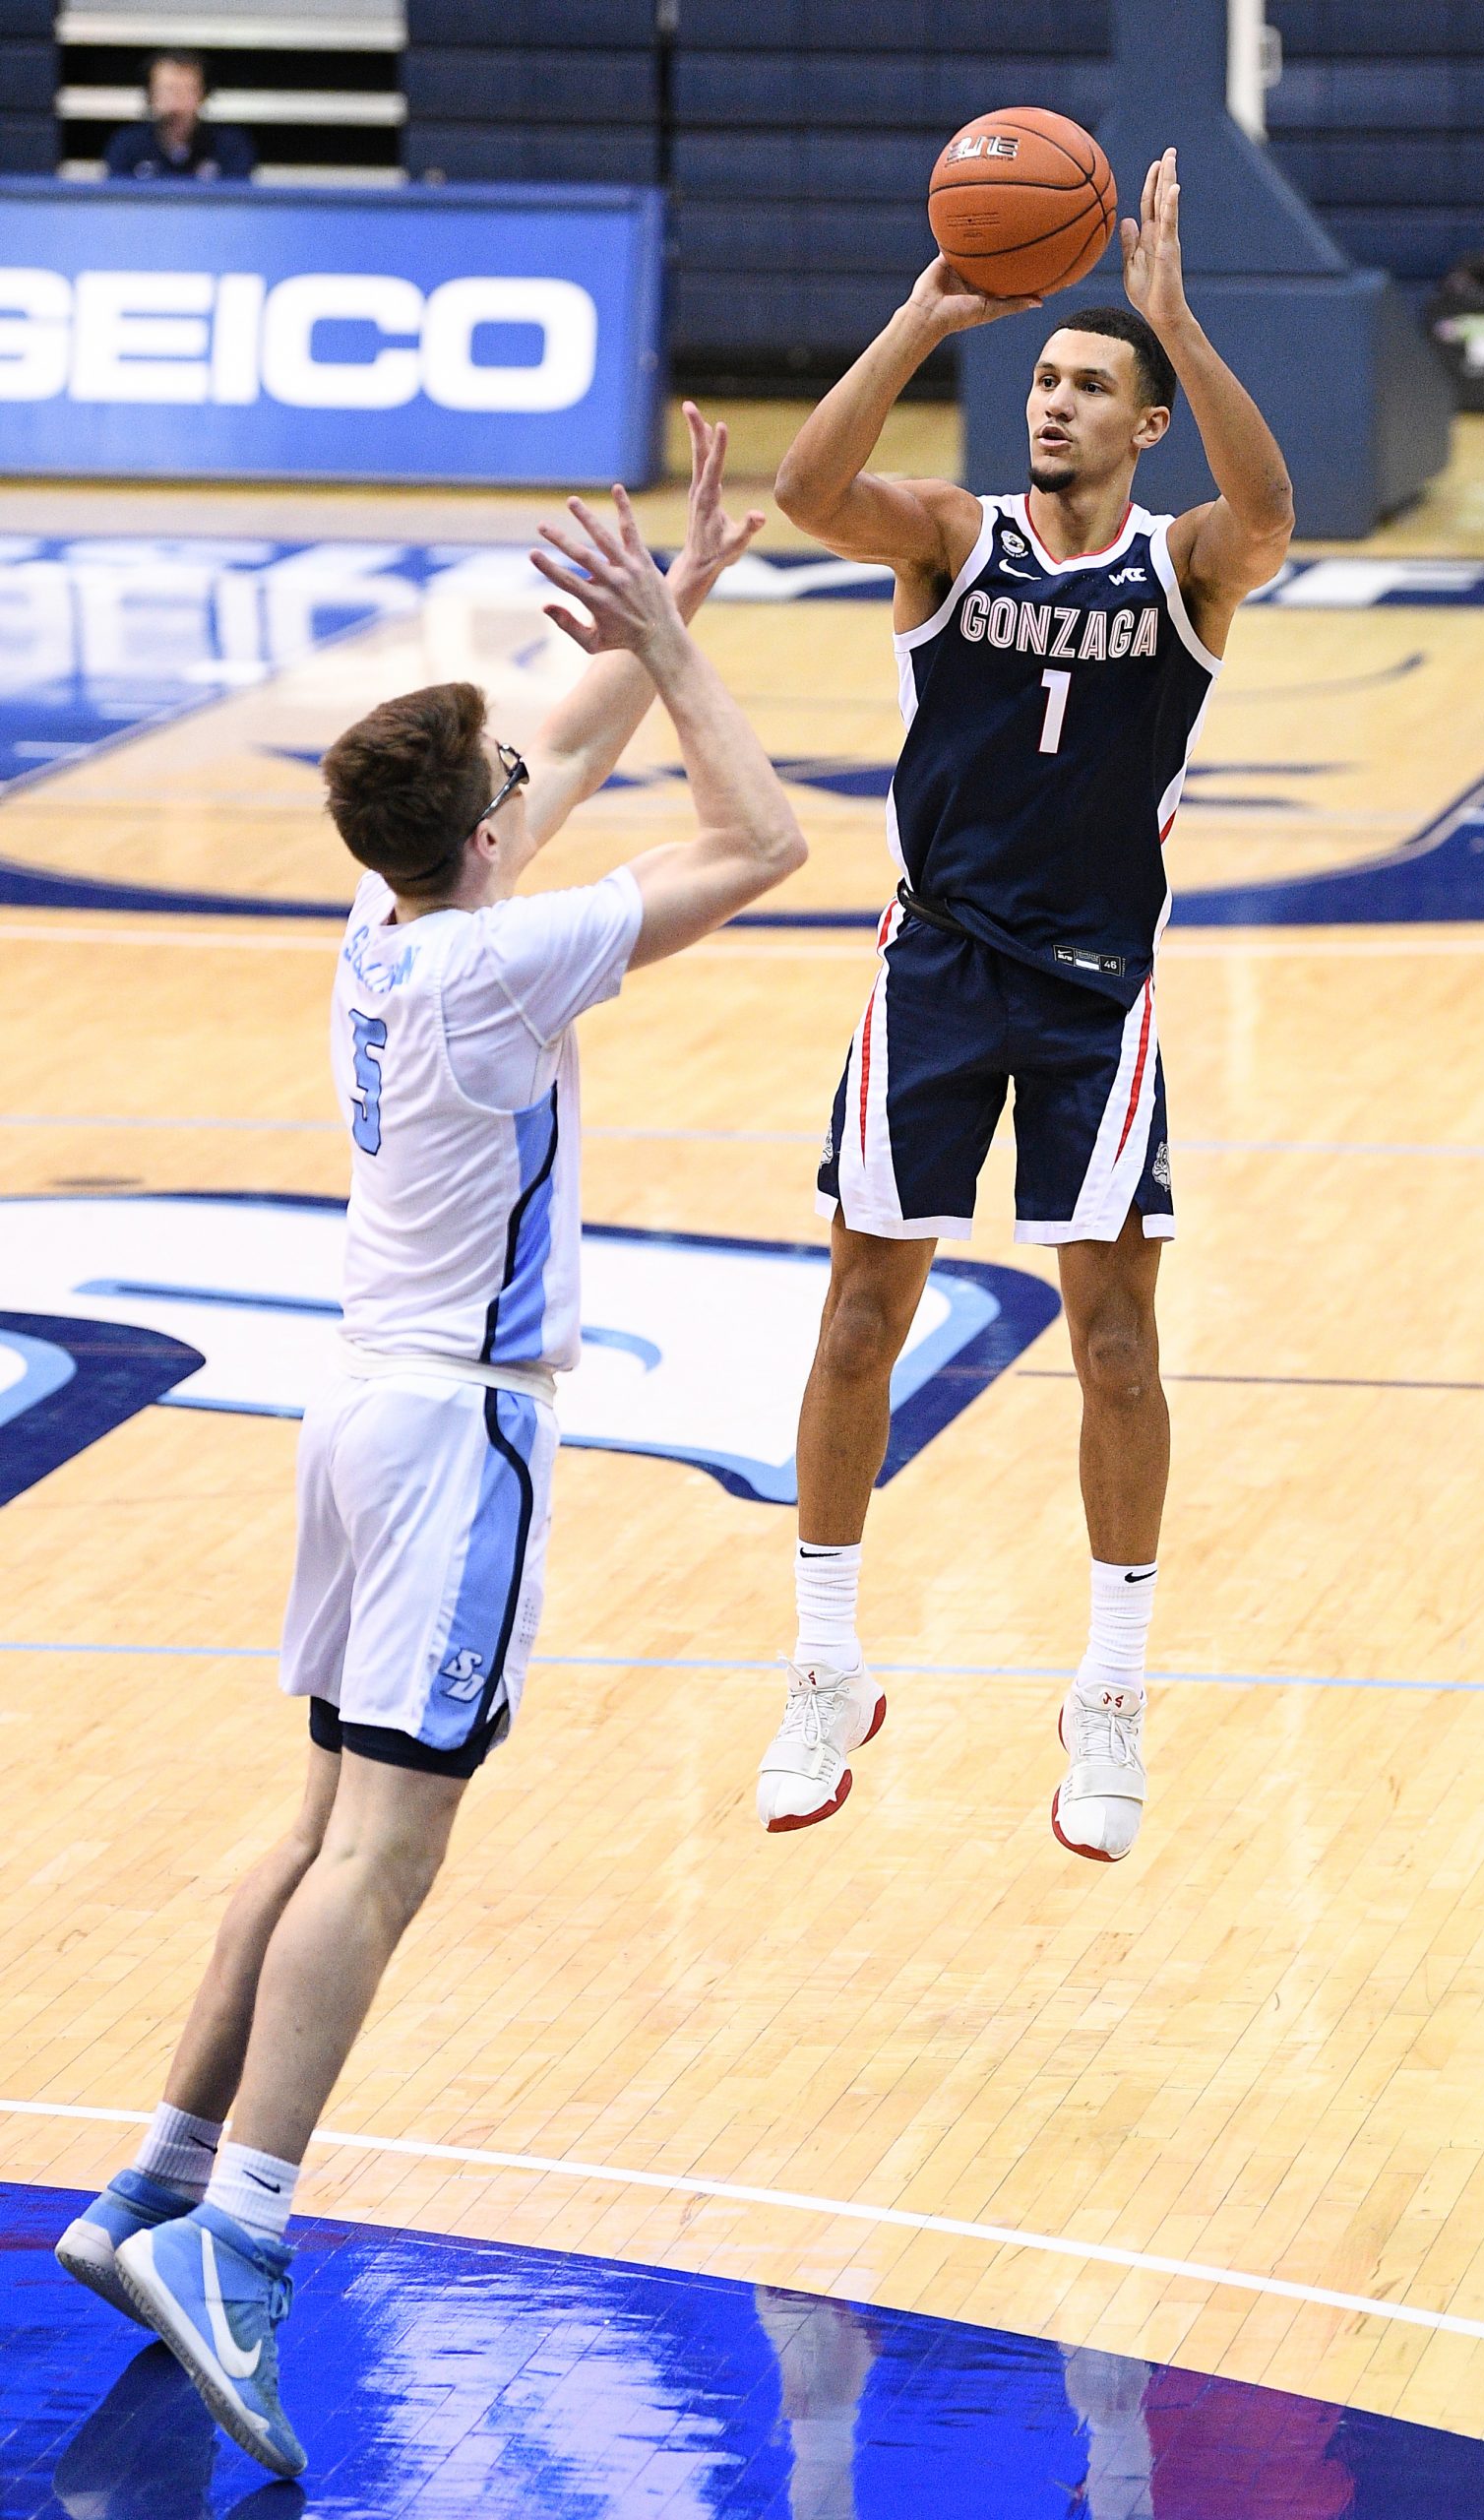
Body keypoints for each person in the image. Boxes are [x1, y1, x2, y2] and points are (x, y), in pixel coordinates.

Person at [51, 410, 805, 2479]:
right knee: (386, 1855)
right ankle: (250, 2237)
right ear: (481, 837)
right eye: (511, 795)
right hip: (461, 1434)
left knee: (307, 1828)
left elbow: (551, 759)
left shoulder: (395, 928)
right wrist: (693, 661)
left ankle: (150, 2187)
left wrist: (673, 604)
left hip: (358, 1413)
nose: (530, 798)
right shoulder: (490, 957)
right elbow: (761, 844)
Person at [761, 150, 1293, 1858]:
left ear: (1145, 428)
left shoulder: (1183, 567)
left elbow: (1271, 519)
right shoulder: (946, 539)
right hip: (933, 973)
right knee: (859, 1320)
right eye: (1045, 380)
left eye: (1088, 386)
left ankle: (1112, 1691)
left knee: (1115, 1343)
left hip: (1094, 996)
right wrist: (922, 316)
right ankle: (826, 1663)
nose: (1053, 403)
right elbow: (803, 490)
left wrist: (1175, 326)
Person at [104, 51, 256, 183]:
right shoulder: (127, 145)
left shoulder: (230, 147)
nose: (177, 101)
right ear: (150, 95)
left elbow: (239, 206)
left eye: (186, 91)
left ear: (202, 94)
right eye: (168, 90)